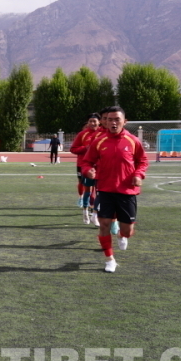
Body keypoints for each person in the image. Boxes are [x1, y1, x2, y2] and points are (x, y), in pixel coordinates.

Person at [80, 106, 148, 273]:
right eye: (110, 119)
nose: (113, 123)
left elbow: (142, 161)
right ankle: (109, 259)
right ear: (105, 122)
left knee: (127, 230)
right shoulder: (99, 141)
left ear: (125, 122)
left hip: (127, 192)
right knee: (104, 224)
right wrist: (88, 170)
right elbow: (87, 161)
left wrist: (138, 175)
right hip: (104, 190)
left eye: (117, 119)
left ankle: (122, 235)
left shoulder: (133, 141)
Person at [70, 113, 101, 224]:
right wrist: (86, 148)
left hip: (100, 166)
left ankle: (95, 214)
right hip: (85, 165)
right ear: (87, 122)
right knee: (86, 188)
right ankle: (85, 210)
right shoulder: (82, 134)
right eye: (90, 121)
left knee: (99, 191)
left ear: (99, 122)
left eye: (94, 121)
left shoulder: (104, 133)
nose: (92, 123)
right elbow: (73, 149)